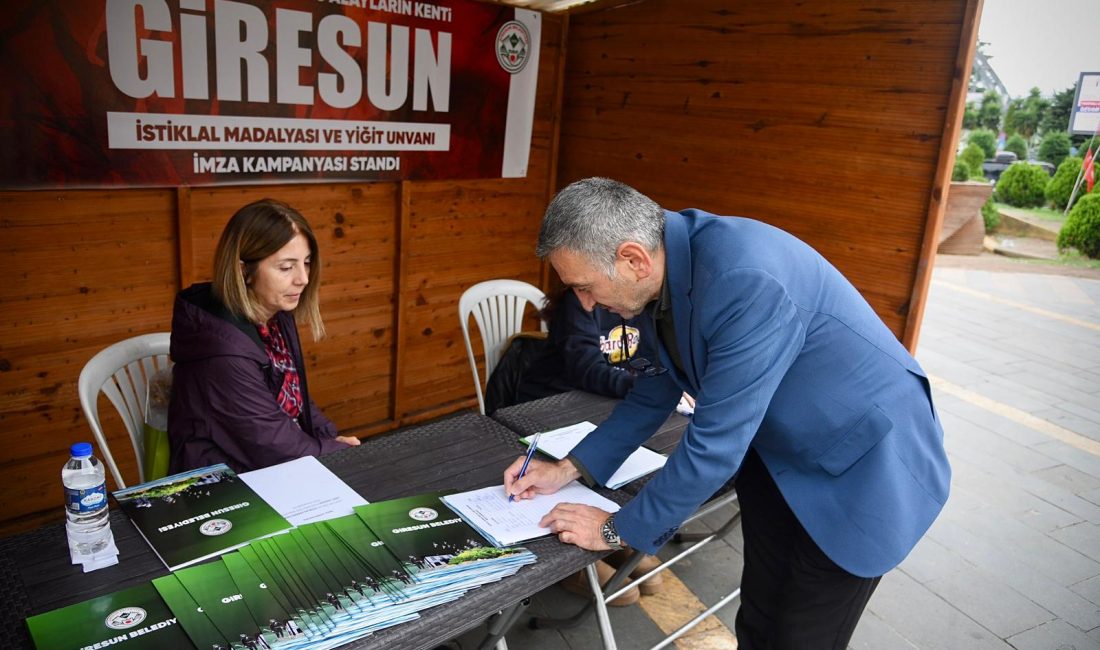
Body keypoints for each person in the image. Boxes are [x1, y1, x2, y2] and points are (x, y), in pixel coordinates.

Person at [504, 178, 951, 648]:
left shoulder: (745, 278)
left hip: (862, 468)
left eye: (585, 287)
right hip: (780, 454)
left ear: (633, 259)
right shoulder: (666, 272)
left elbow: (714, 444)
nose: (585, 304)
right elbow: (655, 388)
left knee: (800, 635)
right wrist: (568, 469)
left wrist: (616, 529)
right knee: (758, 618)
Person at [168, 199, 360, 473]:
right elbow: (274, 447)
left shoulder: (275, 315)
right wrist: (338, 452)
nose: (303, 278)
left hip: (270, 465)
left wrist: (329, 437)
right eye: (286, 267)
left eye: (306, 263)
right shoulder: (222, 355)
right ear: (244, 270)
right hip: (224, 486)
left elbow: (297, 398)